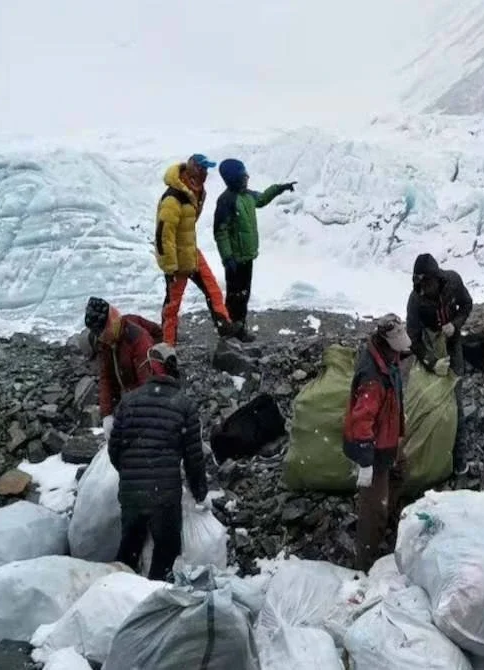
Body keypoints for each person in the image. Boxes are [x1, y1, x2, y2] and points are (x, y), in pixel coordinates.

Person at [109, 343, 207, 581]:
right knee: (166, 555)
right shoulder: (185, 405)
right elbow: (193, 458)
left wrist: (131, 474)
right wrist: (199, 491)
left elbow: (114, 450)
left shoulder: (128, 402)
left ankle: (120, 599)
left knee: (128, 554)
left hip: (131, 494)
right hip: (164, 497)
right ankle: (155, 601)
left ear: (152, 369)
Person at [342, 315, 411, 571]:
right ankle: (365, 564)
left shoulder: (386, 358)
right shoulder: (372, 378)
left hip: (388, 439)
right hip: (374, 447)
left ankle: (390, 517)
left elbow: (403, 353)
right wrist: (366, 462)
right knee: (373, 510)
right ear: (384, 342)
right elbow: (361, 423)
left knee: (400, 472)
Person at [156, 153, 236, 345]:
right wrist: (170, 267)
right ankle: (167, 348)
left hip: (191, 251)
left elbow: (189, 222)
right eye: (202, 168)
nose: (205, 173)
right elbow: (163, 235)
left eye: (206, 169)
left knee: (213, 289)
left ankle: (225, 329)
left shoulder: (195, 193)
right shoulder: (173, 199)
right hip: (177, 260)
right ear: (193, 169)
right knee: (172, 305)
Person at [213, 159, 296, 341]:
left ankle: (238, 327)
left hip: (247, 256)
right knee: (235, 296)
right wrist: (227, 257)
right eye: (243, 175)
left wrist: (279, 188)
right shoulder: (227, 200)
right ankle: (230, 330)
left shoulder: (247, 195)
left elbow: (263, 199)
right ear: (233, 178)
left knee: (243, 295)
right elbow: (221, 231)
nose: (247, 178)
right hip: (235, 259)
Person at [406, 253, 474, 475]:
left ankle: (458, 459)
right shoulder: (415, 300)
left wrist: (455, 325)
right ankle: (428, 456)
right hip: (429, 348)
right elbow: (413, 339)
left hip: (453, 346)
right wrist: (432, 363)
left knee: (456, 399)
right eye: (420, 284)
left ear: (437, 278)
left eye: (427, 283)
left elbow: (466, 305)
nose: (424, 289)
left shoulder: (453, 281)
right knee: (429, 400)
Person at [85, 297, 165, 440]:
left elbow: (148, 384)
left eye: (104, 334)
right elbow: (106, 378)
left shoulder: (138, 340)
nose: (102, 339)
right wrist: (107, 414)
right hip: (128, 393)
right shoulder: (105, 342)